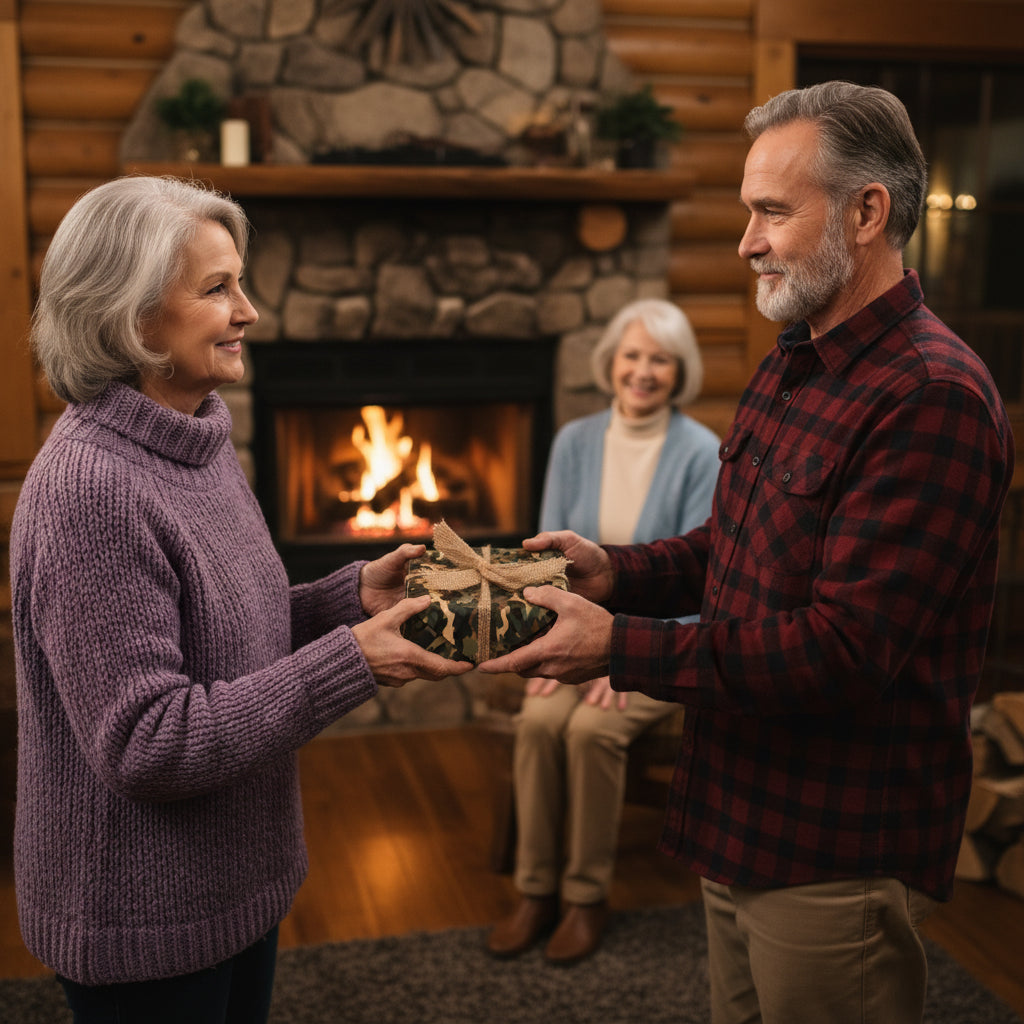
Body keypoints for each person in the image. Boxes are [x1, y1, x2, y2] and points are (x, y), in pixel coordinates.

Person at [477, 81, 1016, 1023]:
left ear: (867, 211)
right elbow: (735, 548)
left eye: (771, 211)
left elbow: (841, 652)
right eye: (747, 212)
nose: (747, 241)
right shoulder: (793, 359)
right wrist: (617, 571)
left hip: (835, 846)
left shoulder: (933, 396)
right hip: (737, 811)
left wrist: (616, 646)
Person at [9, 175, 472, 1024]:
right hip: (147, 920)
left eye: (240, 282)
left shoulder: (196, 436)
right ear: (130, 314)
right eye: (217, 288)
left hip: (234, 885)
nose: (250, 310)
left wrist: (349, 598)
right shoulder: (91, 490)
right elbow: (147, 742)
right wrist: (351, 662)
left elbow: (226, 630)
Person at [486, 299, 720, 965]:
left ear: (680, 372)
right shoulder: (574, 441)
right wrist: (536, 648)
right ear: (611, 362)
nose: (643, 372)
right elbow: (547, 563)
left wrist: (631, 659)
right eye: (633, 355)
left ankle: (586, 899)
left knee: (588, 732)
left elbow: (703, 582)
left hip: (660, 645)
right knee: (538, 724)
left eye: (660, 360)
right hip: (569, 633)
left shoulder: (704, 453)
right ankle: (535, 892)